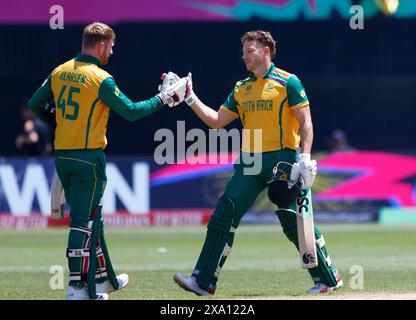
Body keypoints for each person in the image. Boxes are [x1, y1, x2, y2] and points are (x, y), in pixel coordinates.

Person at [173, 30, 343, 295]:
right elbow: (216, 122)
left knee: (293, 221)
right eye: (243, 53)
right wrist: (190, 97)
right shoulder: (241, 88)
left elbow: (305, 122)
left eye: (249, 52)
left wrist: (305, 157)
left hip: (283, 161)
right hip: (250, 163)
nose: (245, 58)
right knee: (223, 215)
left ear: (266, 51)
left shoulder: (289, 82)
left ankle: (327, 278)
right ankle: (203, 281)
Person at [28, 22, 187, 300]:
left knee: (94, 219)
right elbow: (132, 112)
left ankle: (103, 281)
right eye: (111, 47)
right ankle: (77, 288)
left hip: (63, 156)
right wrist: (163, 98)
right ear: (101, 45)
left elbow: (35, 104)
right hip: (88, 159)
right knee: (83, 222)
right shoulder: (101, 78)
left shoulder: (60, 71)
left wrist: (59, 123)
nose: (111, 52)